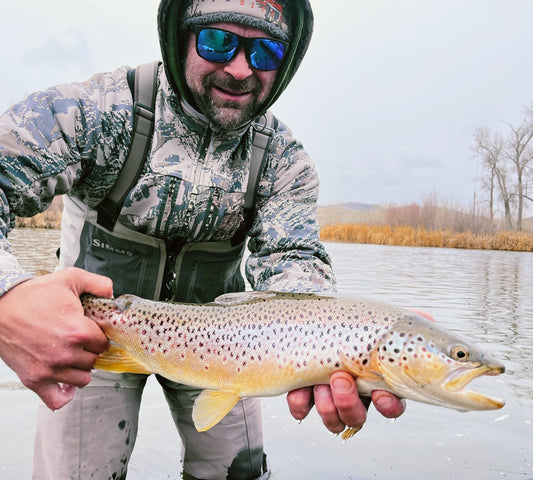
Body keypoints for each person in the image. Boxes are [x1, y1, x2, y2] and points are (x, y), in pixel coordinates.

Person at [0, 1, 405, 478]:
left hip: (226, 346)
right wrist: (7, 294)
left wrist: (346, 346)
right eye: (218, 41)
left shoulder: (284, 162)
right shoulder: (98, 112)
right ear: (179, 39)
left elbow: (293, 263)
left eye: (266, 52)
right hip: (93, 336)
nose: (238, 69)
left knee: (238, 472)